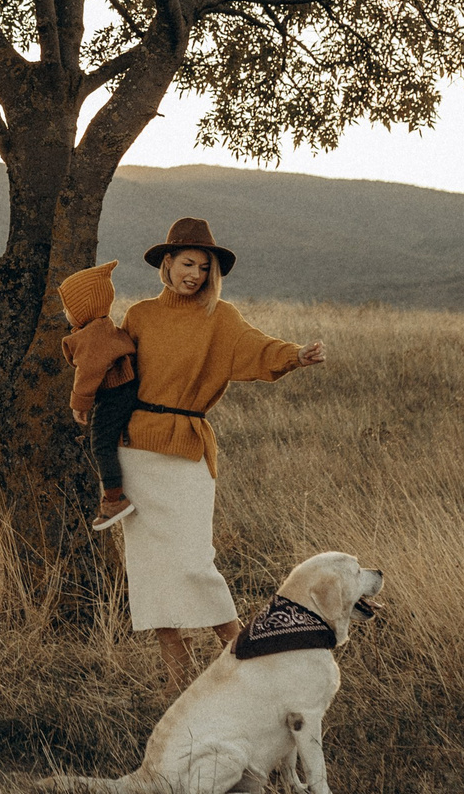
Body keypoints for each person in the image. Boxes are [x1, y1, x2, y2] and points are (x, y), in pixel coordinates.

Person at [114, 217, 326, 695]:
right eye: (188, 264)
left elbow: (257, 348)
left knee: (193, 561)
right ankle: (176, 684)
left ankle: (254, 660)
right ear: (166, 264)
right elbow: (113, 376)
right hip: (136, 452)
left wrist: (296, 355)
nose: (196, 275)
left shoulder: (221, 317)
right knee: (150, 569)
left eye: (205, 268)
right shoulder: (140, 315)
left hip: (187, 449)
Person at [58, 261, 145, 532]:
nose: (64, 313)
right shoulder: (102, 327)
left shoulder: (92, 336)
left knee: (101, 444)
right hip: (126, 390)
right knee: (112, 439)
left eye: (67, 308)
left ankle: (114, 498)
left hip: (114, 394)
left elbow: (89, 372)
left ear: (84, 309)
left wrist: (79, 404)